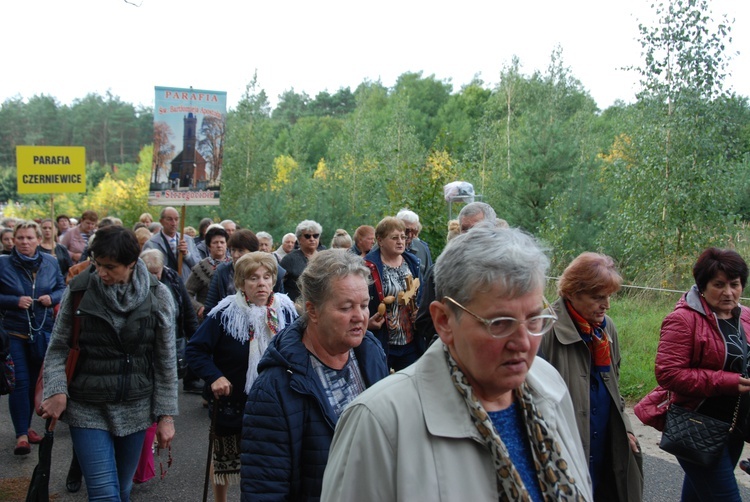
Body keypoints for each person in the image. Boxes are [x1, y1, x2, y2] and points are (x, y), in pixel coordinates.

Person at [322, 225, 593, 501]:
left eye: (535, 319)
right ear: (444, 321)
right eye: (500, 323)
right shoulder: (379, 423)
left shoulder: (549, 387)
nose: (524, 343)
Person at [39, 225, 178, 501]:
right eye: (97, 264)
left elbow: (165, 361)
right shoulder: (79, 290)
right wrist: (55, 390)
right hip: (87, 405)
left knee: (123, 489)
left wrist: (166, 416)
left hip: (137, 407)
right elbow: (57, 348)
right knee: (103, 493)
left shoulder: (158, 295)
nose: (101, 273)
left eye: (110, 267)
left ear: (132, 263)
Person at [241, 249, 389, 501]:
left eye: (364, 305)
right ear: (313, 311)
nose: (360, 317)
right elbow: (264, 489)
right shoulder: (275, 387)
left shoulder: (371, 352)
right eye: (346, 307)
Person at [636, 247, 750, 501]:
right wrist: (726, 382)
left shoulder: (745, 318)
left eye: (735, 284)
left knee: (699, 495)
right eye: (718, 285)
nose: (728, 292)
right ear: (702, 286)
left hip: (734, 428)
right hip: (696, 427)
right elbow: (669, 374)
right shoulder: (683, 320)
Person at [187, 252, 297, 502]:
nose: (261, 283)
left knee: (271, 462)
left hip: (277, 401)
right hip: (233, 400)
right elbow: (195, 350)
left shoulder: (287, 310)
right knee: (225, 458)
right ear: (241, 283)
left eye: (267, 277)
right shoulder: (224, 313)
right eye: (253, 278)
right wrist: (214, 376)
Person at [540, 252, 643, 501]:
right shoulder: (545, 330)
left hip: (605, 446)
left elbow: (615, 389)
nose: (606, 305)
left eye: (608, 296)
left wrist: (627, 430)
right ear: (572, 292)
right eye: (598, 297)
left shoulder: (606, 330)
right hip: (564, 450)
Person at [0, 220, 66, 455]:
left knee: (34, 386)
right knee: (20, 382)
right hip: (13, 332)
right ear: (12, 241)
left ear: (39, 240)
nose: (25, 242)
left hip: (41, 331)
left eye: (29, 238)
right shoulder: (3, 263)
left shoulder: (50, 262)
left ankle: (27, 428)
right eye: (20, 238)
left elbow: (62, 288)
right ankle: (20, 435)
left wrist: (52, 297)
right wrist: (13, 301)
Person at [415, 202, 498, 349]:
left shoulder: (509, 270)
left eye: (476, 229)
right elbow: (425, 320)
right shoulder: (442, 271)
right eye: (465, 229)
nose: (468, 235)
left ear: (493, 230)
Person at [365, 216, 421, 371]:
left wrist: (420, 312)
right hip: (383, 340)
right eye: (394, 237)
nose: (400, 241)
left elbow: (420, 294)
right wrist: (366, 324)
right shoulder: (367, 267)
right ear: (380, 240)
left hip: (411, 341)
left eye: (403, 237)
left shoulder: (412, 263)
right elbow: (359, 301)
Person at [142, 206, 200, 283]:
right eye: (169, 219)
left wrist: (187, 254)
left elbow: (199, 267)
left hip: (186, 288)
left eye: (176, 219)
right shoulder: (151, 243)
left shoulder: (188, 240)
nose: (174, 223)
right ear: (161, 221)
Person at [186, 226, 231, 320]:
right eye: (215, 242)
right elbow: (187, 293)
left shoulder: (235, 265)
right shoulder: (200, 267)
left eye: (222, 242)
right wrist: (199, 307)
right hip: (207, 318)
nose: (219, 245)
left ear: (226, 244)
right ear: (209, 246)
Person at [280, 220, 324, 301]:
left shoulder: (325, 257)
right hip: (296, 306)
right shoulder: (289, 259)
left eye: (315, 236)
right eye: (307, 236)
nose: (312, 239)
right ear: (299, 239)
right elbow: (278, 283)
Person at [397, 208, 432, 279]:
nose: (410, 235)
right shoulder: (385, 247)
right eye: (406, 231)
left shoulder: (422, 249)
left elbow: (429, 278)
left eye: (414, 231)